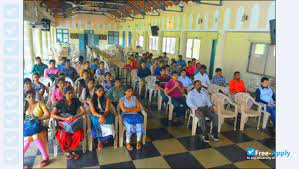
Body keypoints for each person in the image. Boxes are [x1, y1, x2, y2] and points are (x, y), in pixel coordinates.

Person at [51, 86, 86, 160]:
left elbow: (83, 110)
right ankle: (67, 150)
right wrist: (65, 119)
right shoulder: (60, 102)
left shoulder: (76, 100)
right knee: (63, 135)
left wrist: (77, 115)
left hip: (73, 122)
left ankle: (70, 149)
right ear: (64, 94)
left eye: (72, 93)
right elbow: (53, 114)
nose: (70, 95)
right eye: (69, 93)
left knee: (79, 133)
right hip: (64, 122)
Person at [24, 89, 51, 168]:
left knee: (35, 136)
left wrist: (37, 119)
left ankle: (45, 158)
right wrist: (27, 121)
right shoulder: (25, 106)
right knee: (28, 139)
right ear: (26, 98)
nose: (31, 98)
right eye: (29, 97)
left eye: (32, 96)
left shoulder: (40, 104)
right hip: (28, 129)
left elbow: (48, 114)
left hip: (39, 127)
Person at [89, 84, 116, 150]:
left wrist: (103, 116)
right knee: (97, 124)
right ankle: (99, 141)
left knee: (109, 128)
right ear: (95, 92)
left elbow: (107, 110)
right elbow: (94, 112)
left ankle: (102, 139)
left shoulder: (107, 99)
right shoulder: (91, 101)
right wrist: (100, 116)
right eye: (99, 91)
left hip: (106, 115)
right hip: (97, 115)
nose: (101, 92)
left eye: (102, 90)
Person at [119, 86, 144, 151]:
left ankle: (138, 141)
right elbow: (124, 110)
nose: (131, 93)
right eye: (129, 91)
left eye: (131, 91)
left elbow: (139, 109)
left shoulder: (134, 98)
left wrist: (129, 110)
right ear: (125, 92)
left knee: (139, 125)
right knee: (129, 126)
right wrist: (133, 109)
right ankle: (128, 142)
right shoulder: (122, 99)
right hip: (125, 116)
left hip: (135, 115)